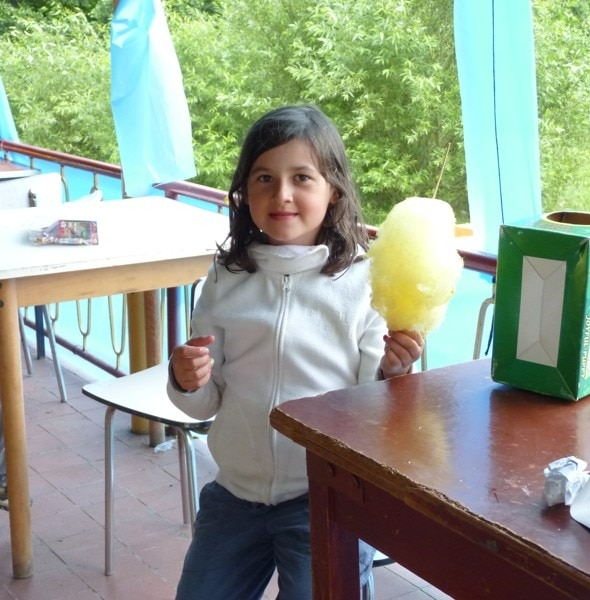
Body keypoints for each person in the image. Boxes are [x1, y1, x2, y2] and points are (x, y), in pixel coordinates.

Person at [167, 104, 424, 600]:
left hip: (325, 499)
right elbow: (205, 402)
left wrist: (395, 372)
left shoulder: (366, 283)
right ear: (245, 193)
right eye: (264, 178)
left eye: (301, 177)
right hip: (235, 494)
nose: (281, 194)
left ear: (334, 191)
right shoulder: (225, 278)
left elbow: (378, 414)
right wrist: (186, 379)